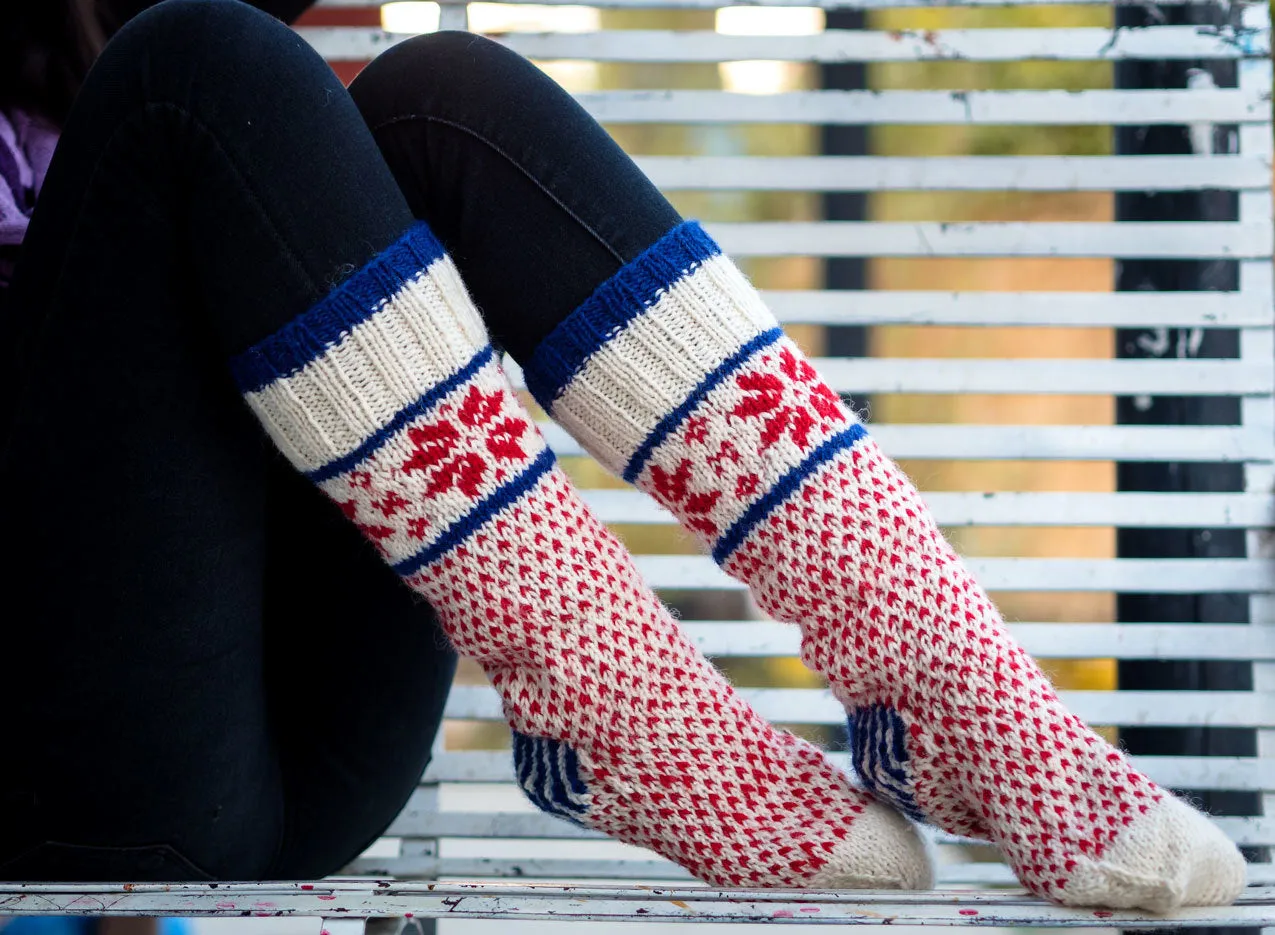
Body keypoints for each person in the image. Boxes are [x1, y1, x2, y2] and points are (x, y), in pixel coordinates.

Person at [0, 0, 1246, 910]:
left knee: (437, 96)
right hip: (77, 766)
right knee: (195, 68)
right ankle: (615, 702)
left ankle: (944, 680)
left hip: (303, 748)